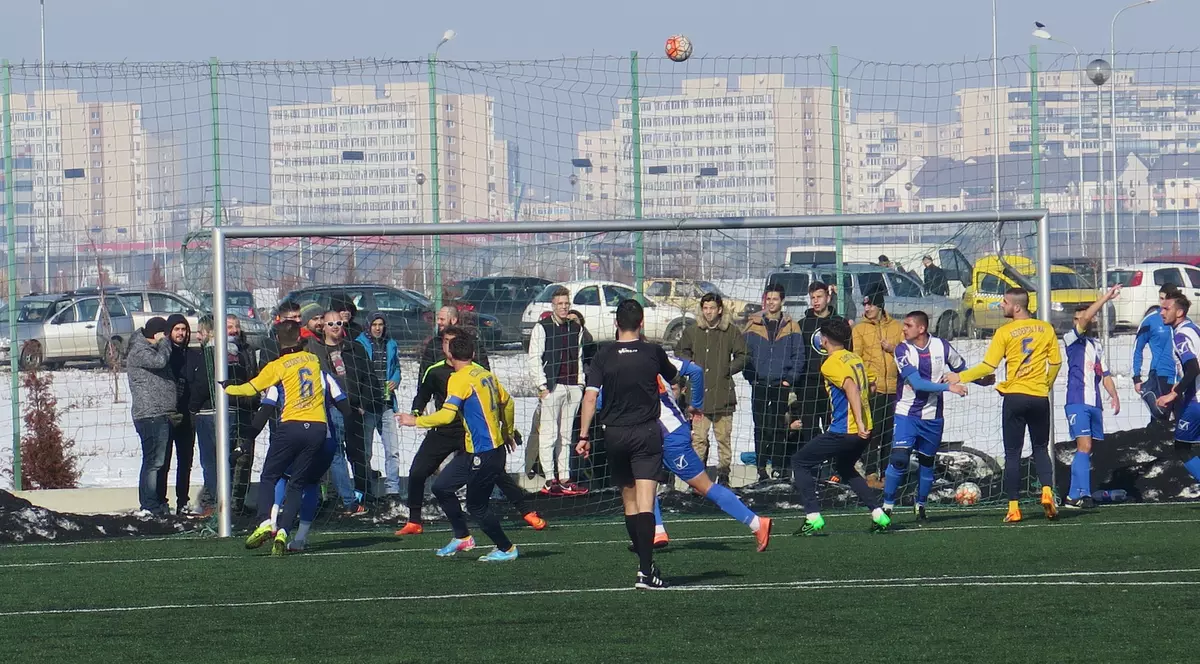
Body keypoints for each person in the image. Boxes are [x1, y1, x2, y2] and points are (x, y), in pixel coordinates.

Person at [399, 325, 546, 536]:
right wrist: (416, 412)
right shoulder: (435, 371)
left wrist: (507, 431)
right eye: (445, 341)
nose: (449, 346)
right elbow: (422, 396)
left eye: (453, 341)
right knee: (417, 471)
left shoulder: (473, 372)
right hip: (443, 430)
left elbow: (499, 401)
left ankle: (526, 511)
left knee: (496, 473)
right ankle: (414, 521)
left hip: (468, 432)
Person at [577, 299, 678, 590]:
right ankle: (645, 572)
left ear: (616, 324)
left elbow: (591, 397)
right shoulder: (653, 352)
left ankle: (646, 568)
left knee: (630, 503)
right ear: (642, 323)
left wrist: (583, 436)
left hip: (615, 435)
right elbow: (674, 378)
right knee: (647, 502)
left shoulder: (604, 354)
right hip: (646, 432)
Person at [226, 321, 349, 555]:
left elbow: (261, 407)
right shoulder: (316, 367)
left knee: (274, 475)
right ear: (302, 342)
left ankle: (267, 522)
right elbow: (345, 405)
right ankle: (295, 535)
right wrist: (350, 437)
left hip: (291, 428)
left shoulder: (279, 371)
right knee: (304, 483)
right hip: (323, 436)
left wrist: (244, 441)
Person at [631, 356, 772, 551]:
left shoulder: (629, 360)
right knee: (643, 479)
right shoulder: (655, 355)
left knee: (703, 486)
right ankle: (657, 530)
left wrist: (696, 404)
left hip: (670, 436)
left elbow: (696, 371)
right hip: (654, 435)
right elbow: (695, 371)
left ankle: (757, 523)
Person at [947, 287, 1062, 523]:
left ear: (1016, 307)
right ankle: (1048, 492)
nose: (1001, 305)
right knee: (1040, 448)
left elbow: (988, 367)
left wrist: (961, 376)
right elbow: (1056, 363)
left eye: (1005, 302)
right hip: (1039, 397)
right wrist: (1045, 384)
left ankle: (1013, 508)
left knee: (1012, 453)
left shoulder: (1005, 332)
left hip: (1015, 397)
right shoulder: (1046, 328)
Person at [792, 319, 892, 535]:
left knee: (799, 462)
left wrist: (858, 420)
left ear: (824, 340)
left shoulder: (830, 364)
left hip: (847, 430)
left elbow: (851, 388)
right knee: (845, 468)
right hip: (864, 430)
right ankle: (878, 514)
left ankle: (813, 517)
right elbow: (871, 385)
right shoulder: (855, 358)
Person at [880, 311, 970, 519]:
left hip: (933, 417)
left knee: (927, 462)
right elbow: (918, 384)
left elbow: (961, 368)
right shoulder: (902, 350)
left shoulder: (942, 346)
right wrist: (950, 387)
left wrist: (981, 379)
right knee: (900, 458)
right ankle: (887, 506)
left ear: (921, 328)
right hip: (906, 414)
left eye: (908, 325)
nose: (903, 328)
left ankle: (920, 505)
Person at [307, 310, 376, 514]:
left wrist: (364, 403)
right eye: (330, 324)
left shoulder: (354, 348)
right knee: (335, 454)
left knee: (359, 454)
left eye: (338, 322)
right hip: (330, 408)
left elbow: (368, 377)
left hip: (355, 408)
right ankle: (347, 499)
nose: (335, 326)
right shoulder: (315, 350)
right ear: (324, 328)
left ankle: (364, 494)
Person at [676, 292, 747, 486]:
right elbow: (680, 351)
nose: (708, 312)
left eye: (712, 308)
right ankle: (699, 477)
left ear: (720, 309)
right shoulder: (692, 331)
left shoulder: (730, 331)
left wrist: (728, 369)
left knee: (723, 438)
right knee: (698, 440)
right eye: (705, 308)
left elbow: (743, 355)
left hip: (722, 394)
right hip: (698, 397)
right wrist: (689, 366)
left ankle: (724, 474)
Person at [527, 285, 591, 495]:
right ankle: (549, 479)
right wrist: (542, 386)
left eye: (566, 304)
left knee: (565, 435)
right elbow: (534, 358)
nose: (563, 308)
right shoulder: (542, 327)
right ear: (553, 306)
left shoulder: (576, 328)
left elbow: (579, 357)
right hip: (552, 387)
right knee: (548, 434)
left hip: (572, 386)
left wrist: (580, 383)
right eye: (560, 304)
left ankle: (564, 477)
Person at [1062, 286, 1123, 509]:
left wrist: (1114, 395)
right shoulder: (1071, 339)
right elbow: (1087, 316)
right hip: (1076, 401)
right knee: (1084, 445)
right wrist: (1106, 297)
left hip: (1094, 403)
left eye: (1084, 317)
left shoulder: (1096, 346)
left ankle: (1071, 496)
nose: (1082, 321)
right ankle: (1084, 495)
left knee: (1087, 449)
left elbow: (1104, 374)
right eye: (1077, 319)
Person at [742, 283, 806, 481]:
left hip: (781, 385)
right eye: (768, 299)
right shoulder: (752, 324)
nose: (771, 303)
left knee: (780, 427)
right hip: (760, 385)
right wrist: (751, 376)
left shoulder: (791, 325)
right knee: (761, 427)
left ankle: (778, 467)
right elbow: (743, 354)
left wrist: (789, 379)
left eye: (775, 299)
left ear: (782, 301)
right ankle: (761, 468)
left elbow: (799, 355)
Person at [851, 288, 904, 481]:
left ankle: (887, 472)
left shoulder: (897, 327)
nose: (867, 308)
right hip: (874, 389)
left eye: (871, 304)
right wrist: (870, 379)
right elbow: (858, 358)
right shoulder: (859, 329)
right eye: (865, 304)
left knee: (889, 433)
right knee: (873, 433)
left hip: (894, 388)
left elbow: (907, 353)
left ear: (880, 305)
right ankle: (871, 471)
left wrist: (893, 349)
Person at [126, 317, 174, 516]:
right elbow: (160, 362)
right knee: (153, 462)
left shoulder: (149, 349)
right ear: (157, 334)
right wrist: (165, 343)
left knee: (160, 462)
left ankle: (158, 501)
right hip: (150, 415)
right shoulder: (140, 351)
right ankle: (149, 504)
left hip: (160, 414)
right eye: (165, 335)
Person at [794, 281, 846, 462]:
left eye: (819, 297)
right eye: (812, 298)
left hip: (834, 385)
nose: (816, 301)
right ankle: (812, 465)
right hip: (809, 384)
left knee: (833, 426)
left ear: (828, 297)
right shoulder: (802, 324)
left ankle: (834, 466)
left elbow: (848, 352)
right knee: (809, 428)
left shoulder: (839, 323)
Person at [1153, 292, 1200, 490]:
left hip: (1196, 400)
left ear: (1179, 312)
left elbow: (1194, 367)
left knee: (1182, 448)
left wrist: (1174, 393)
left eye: (1166, 309)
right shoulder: (1194, 329)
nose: (1161, 313)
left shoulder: (1181, 335)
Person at [355, 313, 403, 500]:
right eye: (374, 324)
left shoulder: (391, 343)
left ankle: (393, 489)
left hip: (386, 403)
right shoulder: (359, 344)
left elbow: (396, 367)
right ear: (368, 326)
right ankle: (367, 489)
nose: (377, 328)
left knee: (393, 450)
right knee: (366, 450)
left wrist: (395, 380)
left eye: (380, 324)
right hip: (367, 405)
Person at [159, 314, 196, 516]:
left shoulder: (193, 355)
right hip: (167, 413)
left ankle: (183, 500)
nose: (181, 333)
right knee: (163, 460)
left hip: (187, 414)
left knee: (185, 460)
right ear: (169, 332)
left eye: (183, 329)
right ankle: (161, 501)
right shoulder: (164, 354)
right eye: (177, 329)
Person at [1134, 283, 1180, 427]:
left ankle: (1183, 448)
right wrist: (1136, 376)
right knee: (1160, 419)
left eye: (1164, 299)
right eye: (1160, 298)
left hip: (1181, 377)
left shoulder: (1184, 322)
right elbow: (1137, 348)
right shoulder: (1151, 320)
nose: (1161, 303)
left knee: (1182, 419)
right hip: (1161, 375)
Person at [419, 305, 491, 381]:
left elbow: (484, 373)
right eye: (437, 319)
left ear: (453, 320)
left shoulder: (473, 342)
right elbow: (423, 373)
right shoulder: (434, 343)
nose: (438, 322)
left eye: (442, 319)